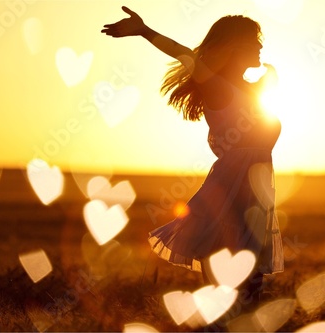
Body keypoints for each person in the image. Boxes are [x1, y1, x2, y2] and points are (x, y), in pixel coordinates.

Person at [102, 6, 284, 311]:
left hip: (255, 194)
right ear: (234, 45)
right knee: (234, 286)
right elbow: (182, 53)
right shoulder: (215, 86)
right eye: (255, 40)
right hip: (231, 193)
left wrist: (269, 84)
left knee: (246, 290)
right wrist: (144, 30)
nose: (261, 46)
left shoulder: (251, 90)